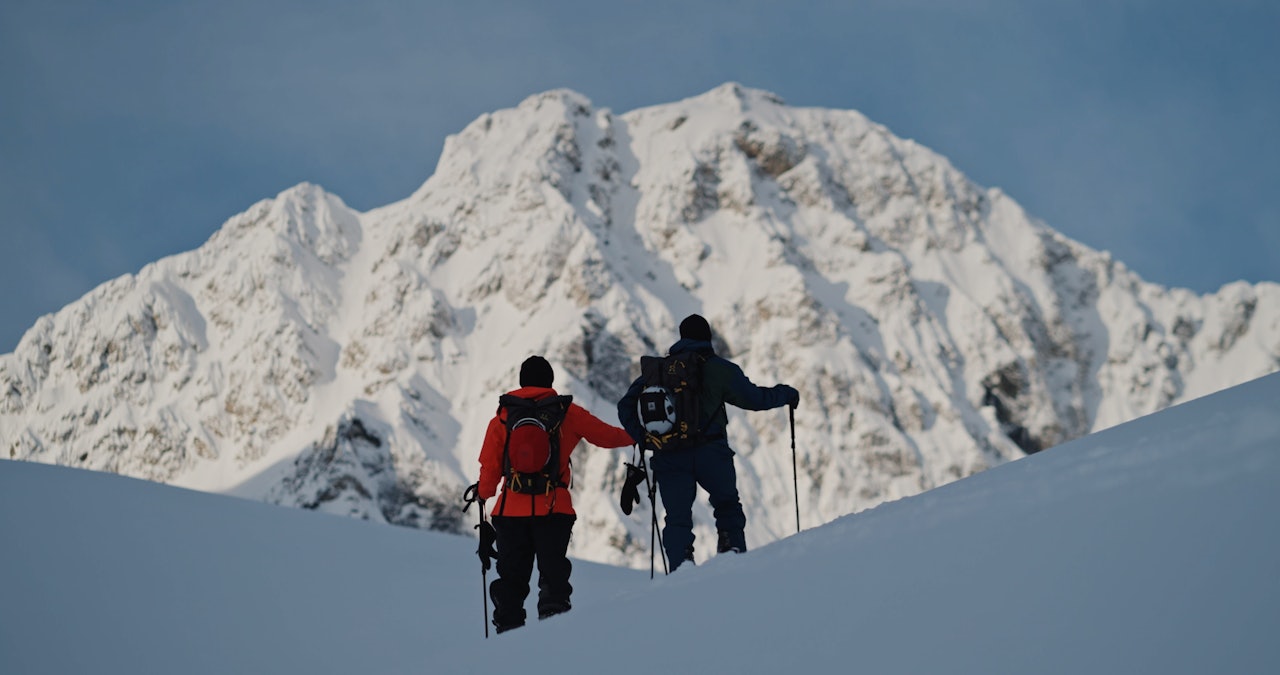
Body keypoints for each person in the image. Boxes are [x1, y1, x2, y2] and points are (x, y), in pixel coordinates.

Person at [617, 314, 799, 570]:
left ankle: (681, 569)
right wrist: (787, 394)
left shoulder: (659, 371)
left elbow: (625, 405)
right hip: (711, 453)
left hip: (669, 455)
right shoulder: (720, 369)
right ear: (707, 337)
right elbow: (756, 399)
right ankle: (732, 555)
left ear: (682, 337)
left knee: (677, 520)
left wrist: (645, 439)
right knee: (727, 505)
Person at [475, 355, 634, 634]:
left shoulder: (502, 417)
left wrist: (484, 495)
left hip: (510, 512)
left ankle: (508, 631)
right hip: (554, 509)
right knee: (553, 574)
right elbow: (606, 436)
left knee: (512, 577)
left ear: (521, 382)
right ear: (550, 382)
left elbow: (490, 468)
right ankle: (554, 629)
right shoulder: (566, 413)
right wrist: (637, 436)